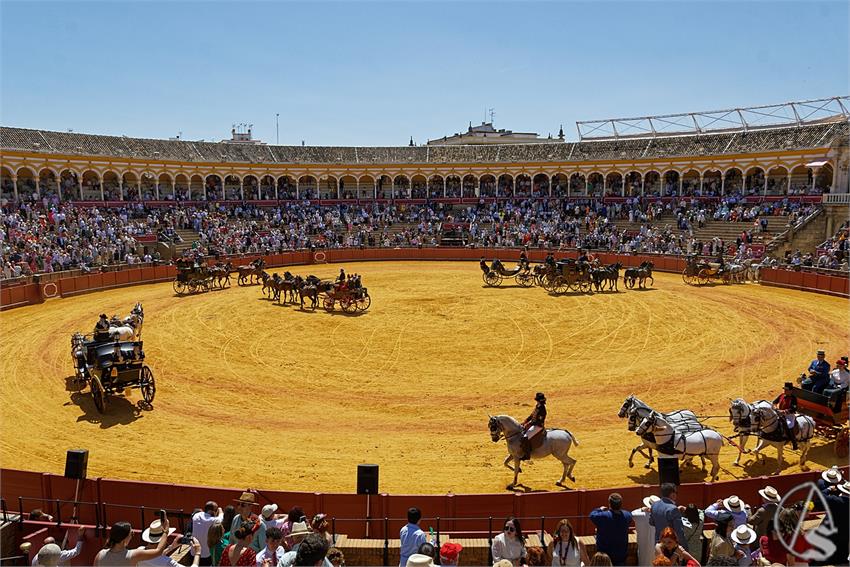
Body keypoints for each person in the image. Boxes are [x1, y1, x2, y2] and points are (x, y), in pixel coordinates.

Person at [94, 520, 170, 566]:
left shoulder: (100, 555)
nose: (132, 536)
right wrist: (166, 531)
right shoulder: (133, 555)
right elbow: (158, 551)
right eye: (131, 534)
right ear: (124, 539)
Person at [589, 493, 632, 566]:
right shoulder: (627, 516)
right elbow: (628, 515)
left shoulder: (604, 516)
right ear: (621, 504)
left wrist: (599, 509)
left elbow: (592, 515)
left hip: (604, 558)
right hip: (620, 556)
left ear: (609, 504)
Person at [650, 484, 687, 551]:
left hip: (658, 543)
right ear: (672, 494)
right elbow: (679, 531)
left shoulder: (654, 505)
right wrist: (684, 547)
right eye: (676, 493)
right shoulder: (673, 509)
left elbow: (651, 522)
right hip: (671, 545)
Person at [193, 501, 224, 566]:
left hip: (194, 553)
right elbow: (221, 517)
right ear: (212, 512)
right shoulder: (213, 520)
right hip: (206, 555)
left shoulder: (196, 516)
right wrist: (220, 511)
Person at [632, 495, 660, 567]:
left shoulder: (639, 515)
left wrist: (641, 509)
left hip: (643, 547)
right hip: (656, 548)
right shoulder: (662, 517)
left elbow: (632, 514)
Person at [520, 392, 547, 460]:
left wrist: (529, 423)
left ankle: (527, 455)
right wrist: (525, 421)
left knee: (525, 437)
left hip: (538, 426)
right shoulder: (537, 406)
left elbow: (539, 421)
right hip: (533, 424)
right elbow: (532, 415)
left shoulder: (542, 409)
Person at [772, 383, 798, 450]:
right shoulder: (782, 395)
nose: (785, 391)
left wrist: (783, 411)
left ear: (791, 391)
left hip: (789, 416)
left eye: (787, 390)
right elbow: (774, 402)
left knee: (789, 425)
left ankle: (794, 442)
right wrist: (775, 407)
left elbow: (793, 409)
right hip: (779, 413)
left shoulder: (793, 398)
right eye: (784, 389)